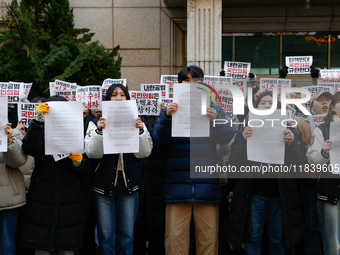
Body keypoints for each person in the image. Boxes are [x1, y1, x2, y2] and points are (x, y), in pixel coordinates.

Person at [152, 65, 234, 255]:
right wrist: (166, 117)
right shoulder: (170, 109)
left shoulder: (214, 109)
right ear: (179, 84)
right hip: (177, 187)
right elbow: (157, 138)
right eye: (186, 80)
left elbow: (226, 137)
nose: (190, 85)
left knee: (208, 242)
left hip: (206, 186)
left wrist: (215, 121)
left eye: (195, 81)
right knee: (175, 242)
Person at [228, 91, 305, 255]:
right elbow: (234, 162)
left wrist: (291, 143)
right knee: (253, 239)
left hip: (280, 195)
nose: (267, 106)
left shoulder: (289, 128)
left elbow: (300, 166)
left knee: (278, 241)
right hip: (254, 194)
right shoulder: (246, 128)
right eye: (263, 103)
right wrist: (244, 140)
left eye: (271, 103)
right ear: (256, 107)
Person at [85, 84, 153, 255]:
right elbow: (92, 153)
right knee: (105, 237)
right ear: (107, 100)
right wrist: (100, 131)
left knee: (127, 236)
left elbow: (144, 153)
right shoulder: (95, 123)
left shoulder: (138, 122)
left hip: (129, 187)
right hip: (103, 187)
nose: (118, 98)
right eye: (114, 95)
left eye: (122, 95)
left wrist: (140, 131)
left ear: (128, 99)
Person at [20, 95, 92, 255]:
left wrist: (79, 162)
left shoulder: (78, 129)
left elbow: (90, 166)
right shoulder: (41, 130)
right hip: (42, 200)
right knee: (42, 249)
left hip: (70, 201)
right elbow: (29, 148)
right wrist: (37, 122)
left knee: (67, 250)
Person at [297, 91, 332, 255]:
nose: (325, 103)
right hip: (312, 183)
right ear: (311, 106)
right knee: (313, 223)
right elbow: (298, 153)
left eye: (328, 99)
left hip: (332, 182)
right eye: (320, 100)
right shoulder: (302, 125)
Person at [307, 91, 340, 254]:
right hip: (331, 192)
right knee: (333, 242)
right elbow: (311, 159)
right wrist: (324, 152)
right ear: (333, 108)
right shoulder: (322, 129)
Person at [0, 123, 28, 255]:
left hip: (6, 199)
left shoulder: (10, 131)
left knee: (7, 246)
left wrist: (9, 141)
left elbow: (18, 161)